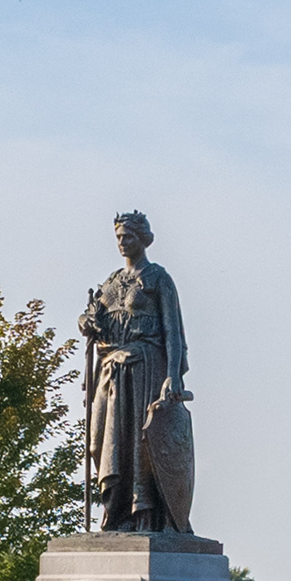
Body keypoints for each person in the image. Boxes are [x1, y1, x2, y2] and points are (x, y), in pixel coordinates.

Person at [79, 210, 196, 532]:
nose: (122, 243)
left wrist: (172, 373)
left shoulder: (158, 278)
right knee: (99, 444)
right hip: (110, 371)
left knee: (138, 444)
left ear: (142, 239)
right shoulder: (112, 281)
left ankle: (140, 514)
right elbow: (92, 316)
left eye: (127, 237)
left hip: (145, 367)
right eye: (118, 237)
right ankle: (113, 508)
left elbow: (173, 331)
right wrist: (86, 322)